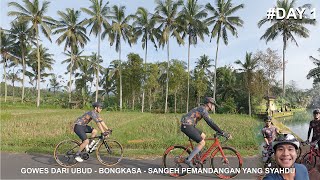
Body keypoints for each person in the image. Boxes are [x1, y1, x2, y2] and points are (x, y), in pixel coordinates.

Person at [180, 97, 231, 168]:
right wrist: (221, 132)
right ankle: (188, 159)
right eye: (213, 104)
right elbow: (210, 122)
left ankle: (198, 157)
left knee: (203, 136)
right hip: (187, 126)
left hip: (189, 125)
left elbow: (210, 122)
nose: (213, 107)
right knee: (202, 143)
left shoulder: (202, 109)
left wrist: (220, 131)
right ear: (209, 104)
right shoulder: (203, 110)